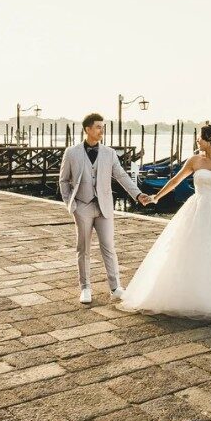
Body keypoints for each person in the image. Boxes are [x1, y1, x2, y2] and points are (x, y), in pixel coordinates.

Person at [119, 124, 211, 321]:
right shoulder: (194, 160)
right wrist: (157, 196)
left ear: (208, 139)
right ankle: (187, 295)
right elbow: (175, 180)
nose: (197, 141)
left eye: (199, 137)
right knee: (189, 248)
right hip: (197, 208)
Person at [59, 112, 151, 304]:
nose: (102, 130)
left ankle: (116, 287)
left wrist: (138, 194)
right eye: (99, 127)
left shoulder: (109, 153)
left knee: (108, 247)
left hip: (105, 207)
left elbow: (122, 176)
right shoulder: (72, 152)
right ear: (88, 129)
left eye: (103, 127)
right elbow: (63, 180)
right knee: (83, 248)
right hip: (82, 206)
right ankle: (85, 288)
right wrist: (71, 204)